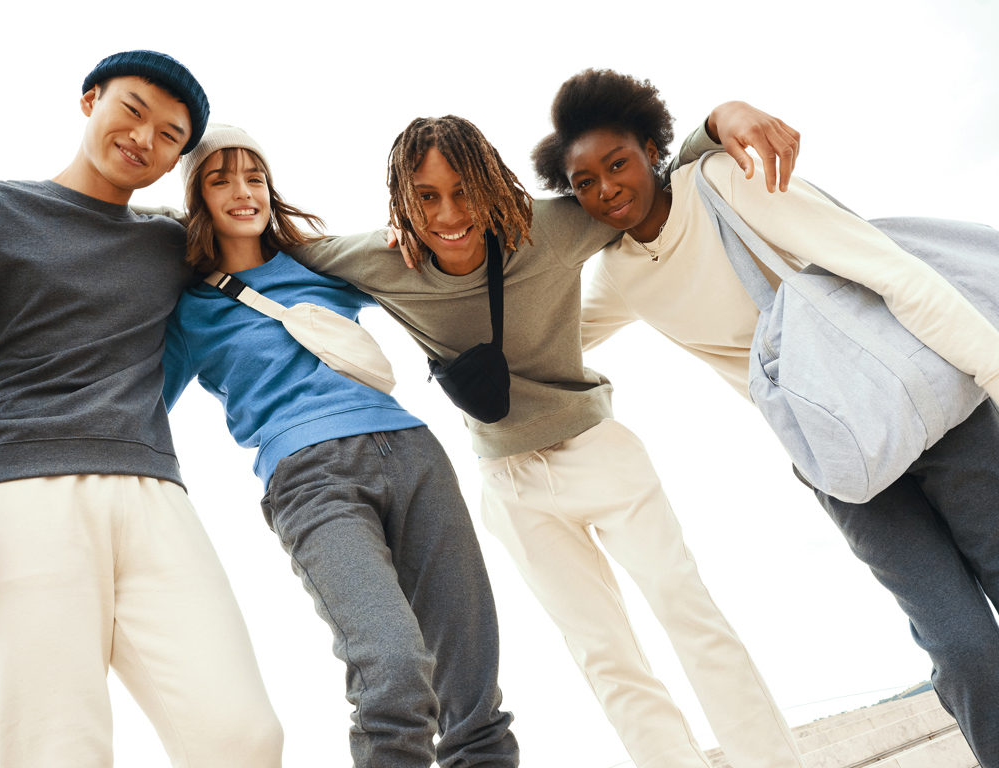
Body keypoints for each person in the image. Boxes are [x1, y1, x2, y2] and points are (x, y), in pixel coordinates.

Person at [289, 105, 807, 768]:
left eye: (463, 191)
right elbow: (267, 248)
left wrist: (717, 120)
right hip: (511, 488)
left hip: (599, 451)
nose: (449, 214)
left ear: (489, 183)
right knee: (605, 656)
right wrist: (168, 220)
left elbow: (653, 183)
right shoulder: (383, 261)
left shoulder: (549, 230)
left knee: (688, 612)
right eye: (426, 197)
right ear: (402, 201)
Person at [531, 67, 999, 766]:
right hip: (841, 462)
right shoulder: (621, 273)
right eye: (585, 183)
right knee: (962, 648)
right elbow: (548, 336)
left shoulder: (725, 182)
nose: (607, 189)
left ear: (653, 149)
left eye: (618, 163)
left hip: (933, 411)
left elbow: (889, 269)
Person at [161, 124, 519, 768]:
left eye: (255, 178)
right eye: (220, 180)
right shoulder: (189, 311)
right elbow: (140, 409)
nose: (243, 192)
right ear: (197, 200)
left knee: (473, 690)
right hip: (310, 479)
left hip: (413, 453)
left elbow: (427, 268)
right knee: (393, 672)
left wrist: (406, 236)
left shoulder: (317, 265)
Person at [0, 52, 283, 768]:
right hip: (18, 492)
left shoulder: (172, 243)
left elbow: (277, 255)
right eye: (133, 111)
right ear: (91, 100)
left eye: (170, 135)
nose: (145, 138)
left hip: (154, 493)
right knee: (54, 747)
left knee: (241, 736)